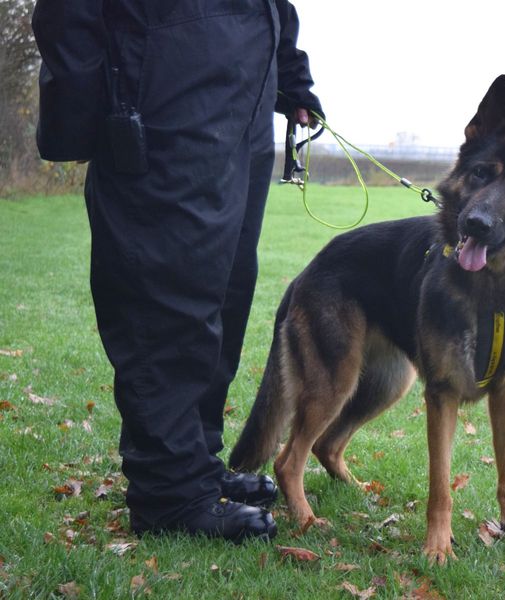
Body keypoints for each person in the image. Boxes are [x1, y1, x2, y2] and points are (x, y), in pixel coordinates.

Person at [32, 0, 323, 542]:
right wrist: (82, 115)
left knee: (225, 293)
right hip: (162, 93)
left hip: (243, 100)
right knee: (168, 291)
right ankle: (167, 491)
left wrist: (290, 78)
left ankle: (195, 461)